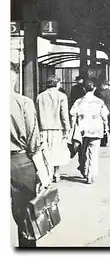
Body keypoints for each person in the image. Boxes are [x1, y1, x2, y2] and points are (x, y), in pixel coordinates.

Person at [10, 62, 47, 248]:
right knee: (25, 216)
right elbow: (34, 140)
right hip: (20, 163)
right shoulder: (24, 102)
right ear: (14, 77)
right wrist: (43, 172)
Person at [70, 80, 109, 184]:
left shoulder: (78, 102)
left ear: (84, 89)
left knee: (82, 153)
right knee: (93, 153)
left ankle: (83, 169)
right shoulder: (99, 102)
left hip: (82, 131)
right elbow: (104, 116)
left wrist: (73, 128)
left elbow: (73, 116)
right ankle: (90, 175)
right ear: (94, 89)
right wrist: (106, 128)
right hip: (96, 130)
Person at [36, 75, 70, 182]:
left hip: (43, 128)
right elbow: (64, 115)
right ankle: (57, 174)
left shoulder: (40, 96)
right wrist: (67, 128)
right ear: (57, 83)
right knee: (57, 151)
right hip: (57, 128)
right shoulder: (62, 96)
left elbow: (37, 114)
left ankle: (48, 175)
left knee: (45, 152)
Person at [95, 80, 110, 146]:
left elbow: (100, 104)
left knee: (103, 126)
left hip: (104, 112)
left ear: (103, 85)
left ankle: (104, 142)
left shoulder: (100, 93)